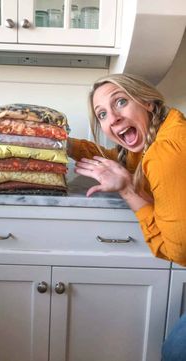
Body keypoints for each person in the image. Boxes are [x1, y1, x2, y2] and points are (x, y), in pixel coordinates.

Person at [67, 73, 186, 361]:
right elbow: (121, 158)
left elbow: (178, 251)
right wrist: (63, 143)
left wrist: (127, 191)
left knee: (175, 353)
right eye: (103, 114)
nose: (113, 118)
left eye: (121, 102)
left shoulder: (165, 153)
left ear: (147, 102)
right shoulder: (162, 129)